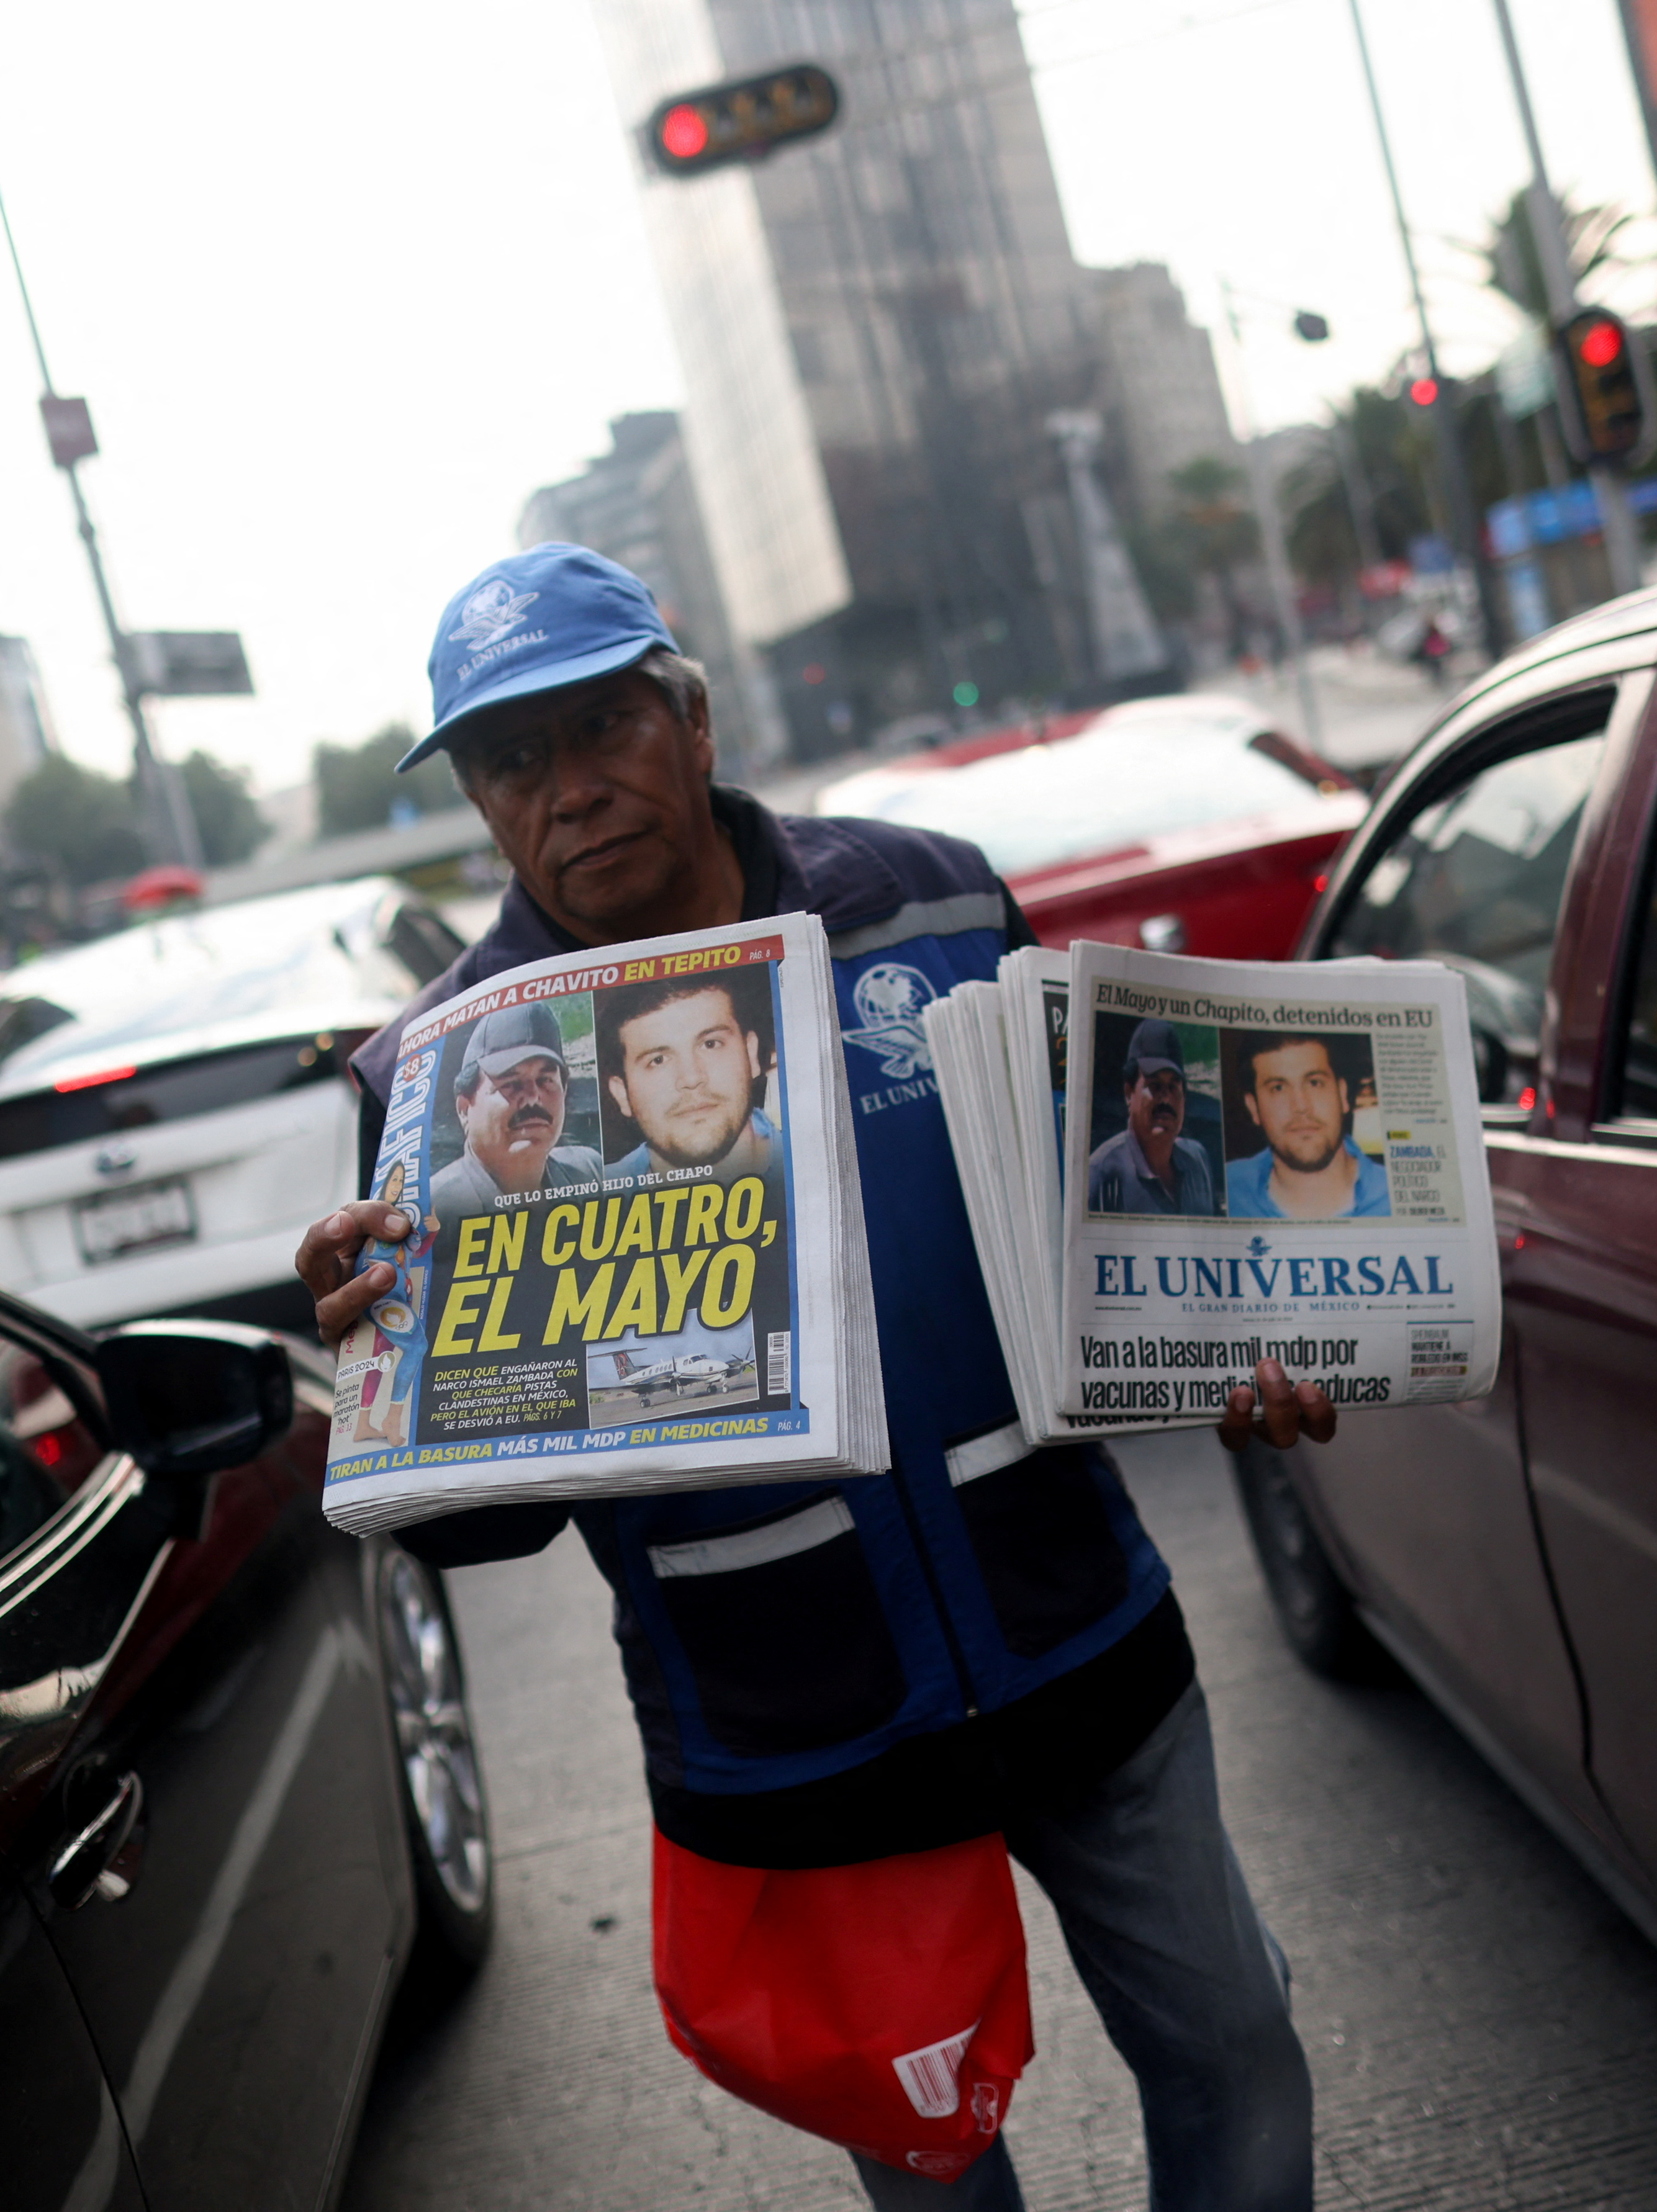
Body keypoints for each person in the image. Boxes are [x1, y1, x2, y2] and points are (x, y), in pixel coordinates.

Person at [291, 544, 1338, 2212]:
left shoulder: (929, 895)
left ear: (689, 717)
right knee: (932, 2169)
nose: (568, 788)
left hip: (1076, 1625)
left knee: (1235, 2050)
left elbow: (1111, 1228)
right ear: (479, 804)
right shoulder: (445, 1072)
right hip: (799, 1716)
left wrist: (1240, 1345)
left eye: (600, 724)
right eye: (512, 760)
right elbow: (477, 1536)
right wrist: (392, 1378)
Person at [600, 968, 784, 1185]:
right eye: (658, 1060)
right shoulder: (595, 1193)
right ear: (622, 1094)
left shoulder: (814, 1160)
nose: (691, 1079)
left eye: (710, 1044)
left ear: (751, 1054)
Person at [424, 999, 602, 1223]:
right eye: (510, 1083)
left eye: (546, 1080)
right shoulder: (433, 1210)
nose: (533, 1097)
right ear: (464, 1109)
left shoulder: (590, 1172)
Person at [1226, 1032, 1391, 1220]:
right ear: (1254, 1108)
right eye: (1278, 1088)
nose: (1301, 1106)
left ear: (1342, 1094)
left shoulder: (1391, 1195)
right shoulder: (1229, 1188)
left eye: (1314, 1083)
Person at [1083, 1019, 1217, 1216]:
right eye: (1155, 1086)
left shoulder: (1198, 1160)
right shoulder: (1101, 1173)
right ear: (1129, 1093)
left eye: (1174, 1087)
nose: (1166, 1097)